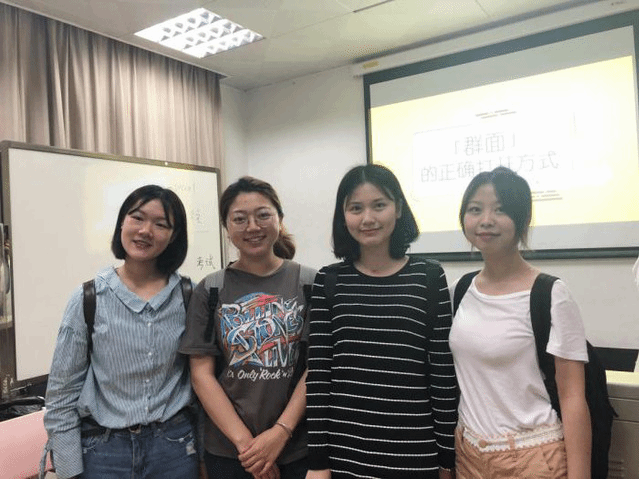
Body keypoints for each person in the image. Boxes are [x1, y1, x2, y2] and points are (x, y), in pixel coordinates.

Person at [305, 164, 458, 479]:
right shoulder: (328, 281)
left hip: (415, 452)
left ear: (398, 208)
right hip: (345, 453)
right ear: (343, 215)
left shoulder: (428, 276)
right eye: (355, 208)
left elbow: (442, 374)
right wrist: (317, 462)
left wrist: (447, 458)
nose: (368, 218)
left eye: (379, 205)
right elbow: (319, 376)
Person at [43, 185, 198, 479]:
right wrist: (69, 471)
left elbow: (202, 385)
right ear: (122, 223)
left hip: (175, 450)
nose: (145, 231)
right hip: (103, 453)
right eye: (137, 217)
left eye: (160, 224)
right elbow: (61, 396)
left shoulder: (188, 296)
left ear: (174, 235)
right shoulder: (88, 298)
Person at [449, 166, 591, 478]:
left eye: (500, 209)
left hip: (533, 458)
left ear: (522, 218)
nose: (486, 220)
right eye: (475, 209)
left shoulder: (551, 294)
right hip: (469, 455)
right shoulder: (460, 290)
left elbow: (572, 398)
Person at [179, 176, 316, 479]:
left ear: (279, 219)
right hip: (230, 451)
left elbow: (317, 367)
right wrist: (250, 448)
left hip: (296, 447)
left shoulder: (310, 283)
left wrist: (279, 434)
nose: (252, 227)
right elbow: (201, 375)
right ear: (226, 228)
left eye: (263, 215)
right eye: (239, 219)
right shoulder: (211, 289)